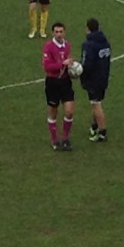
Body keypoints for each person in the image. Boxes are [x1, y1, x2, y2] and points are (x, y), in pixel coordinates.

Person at [42, 21, 76, 151]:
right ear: (53, 33)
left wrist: (72, 67)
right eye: (56, 32)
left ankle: (65, 138)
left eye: (61, 32)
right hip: (52, 82)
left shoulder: (67, 45)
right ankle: (55, 140)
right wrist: (63, 64)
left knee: (69, 111)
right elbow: (47, 66)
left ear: (64, 32)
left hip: (65, 82)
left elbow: (68, 61)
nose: (59, 34)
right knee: (53, 112)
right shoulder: (48, 47)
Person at [80, 18, 112, 143]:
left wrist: (78, 70)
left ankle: (102, 131)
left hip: (93, 79)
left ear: (87, 28)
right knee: (97, 101)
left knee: (95, 104)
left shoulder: (88, 45)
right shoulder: (105, 42)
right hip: (104, 77)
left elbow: (86, 64)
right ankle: (95, 125)